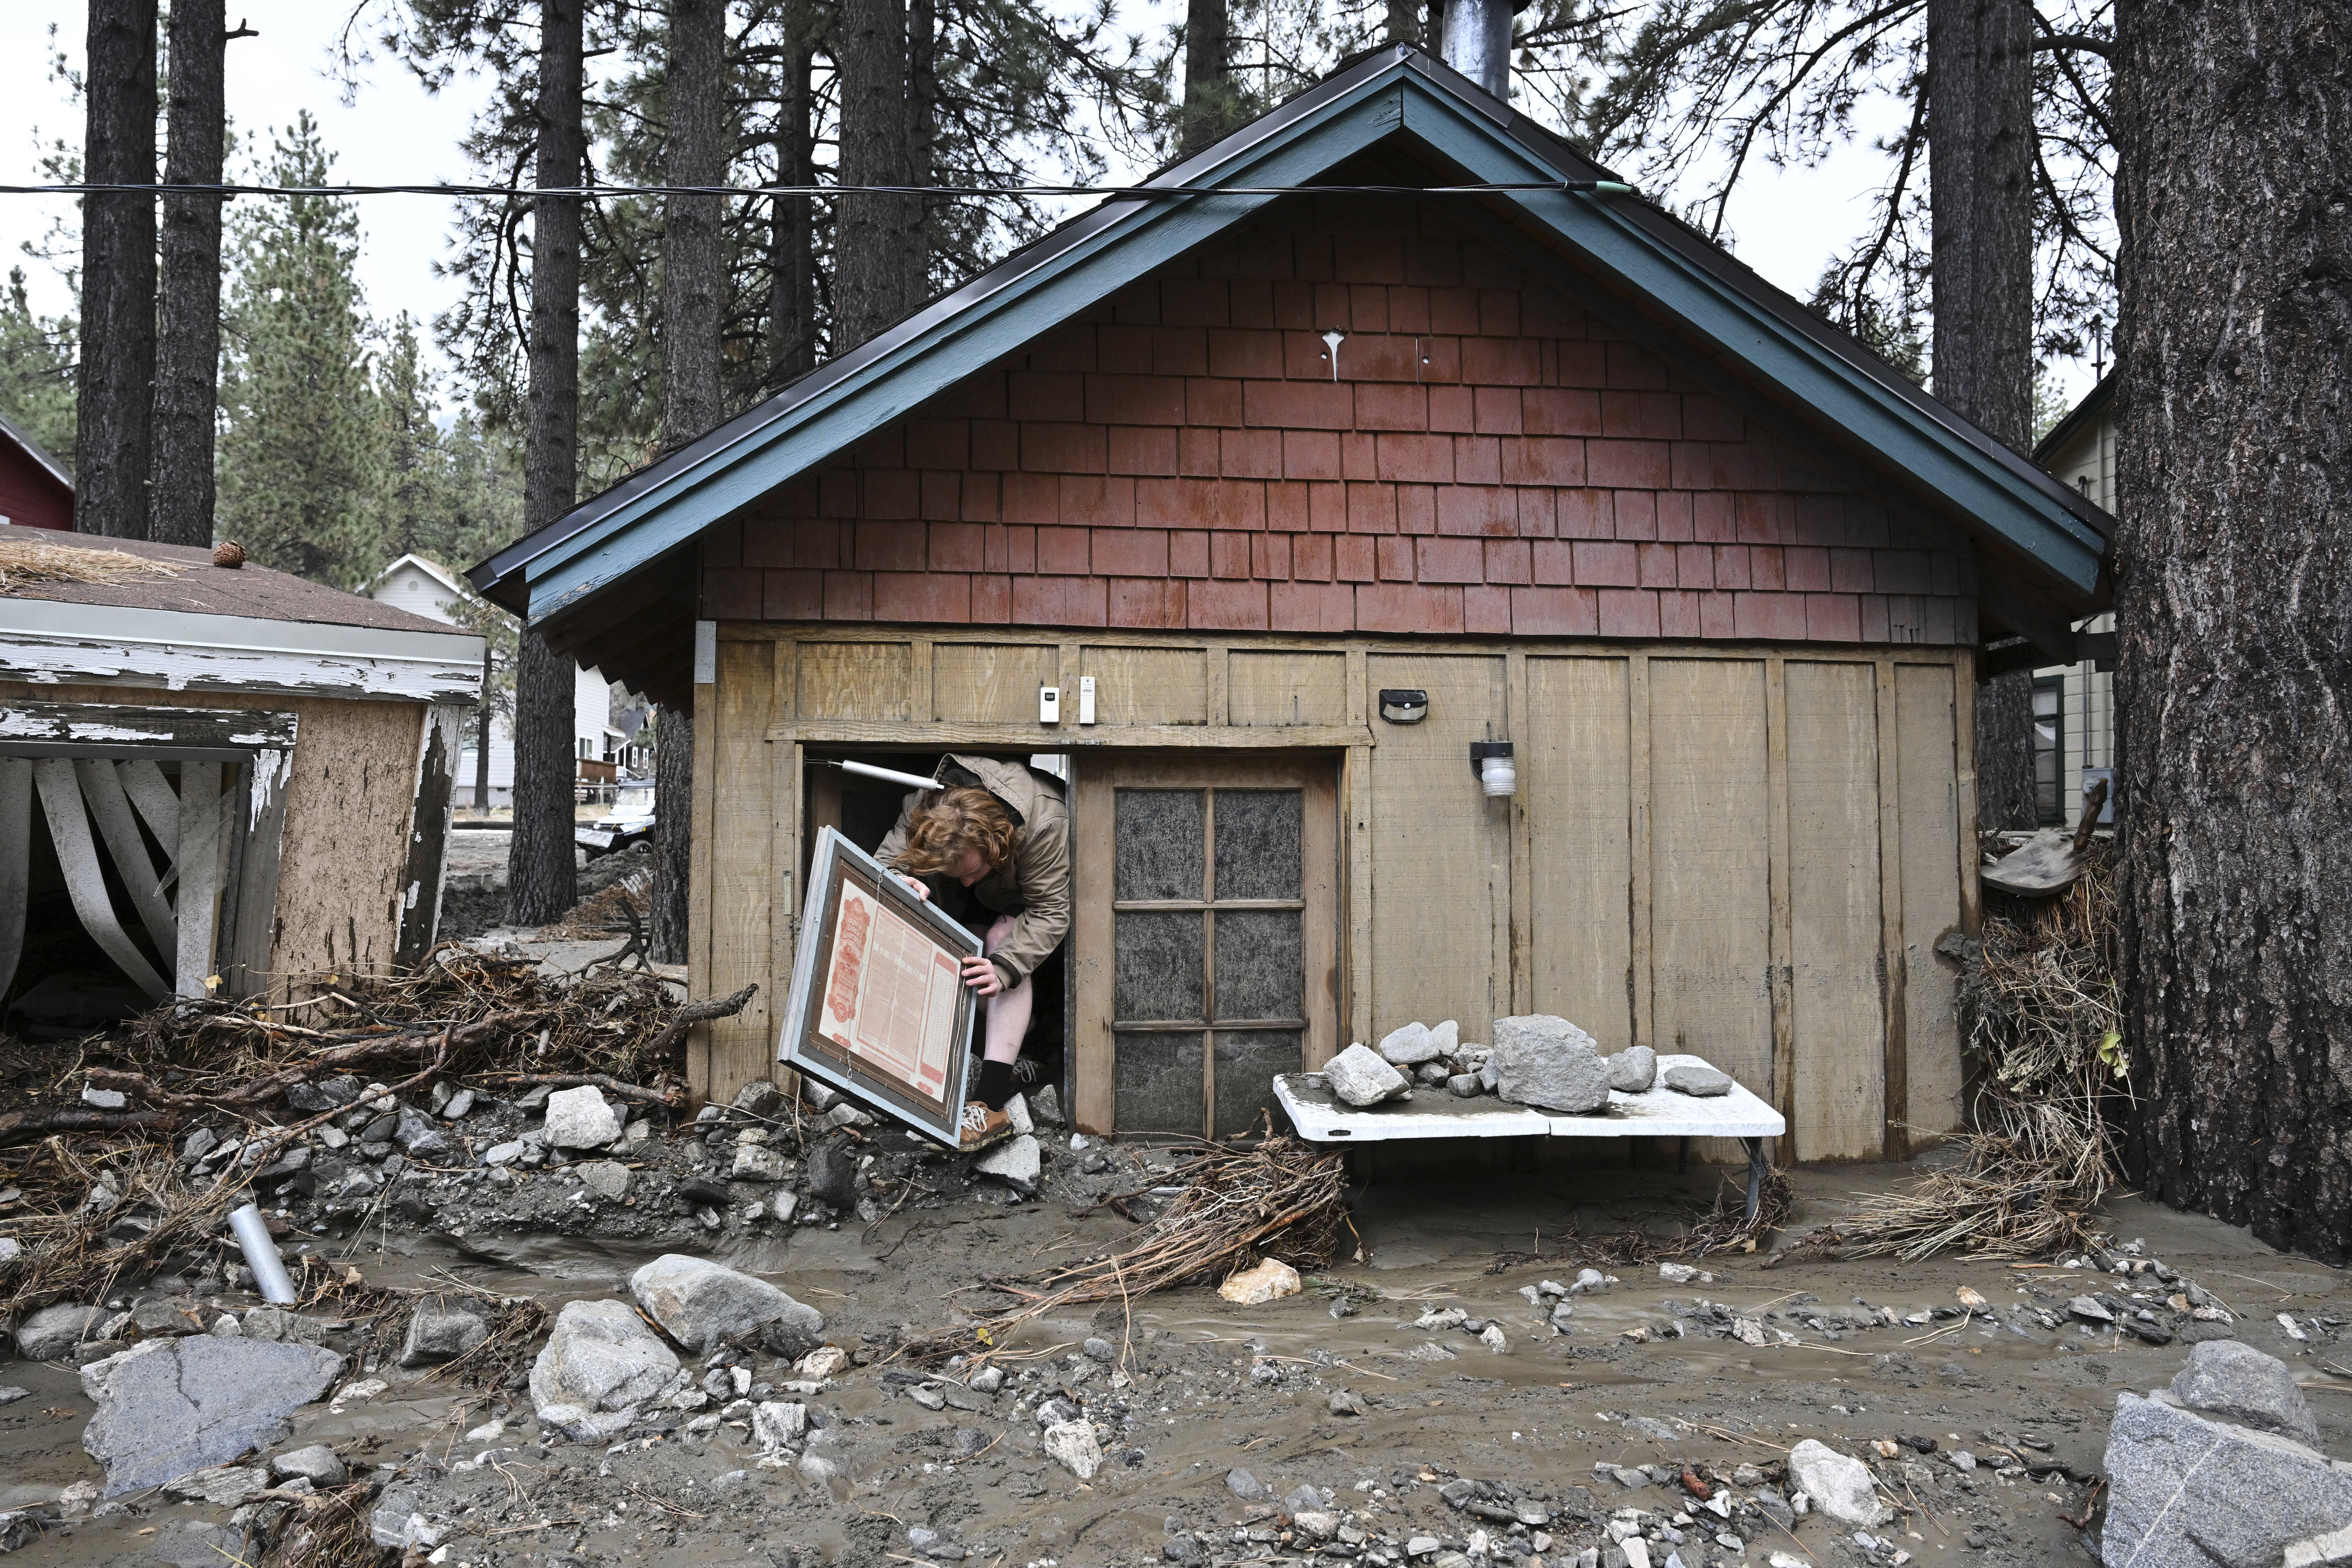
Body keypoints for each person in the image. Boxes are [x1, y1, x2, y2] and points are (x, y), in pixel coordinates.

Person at [875, 754, 1070, 1150]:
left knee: (1001, 945)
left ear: (995, 841)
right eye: (956, 875)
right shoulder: (923, 807)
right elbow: (883, 863)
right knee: (967, 947)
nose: (964, 882)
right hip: (989, 893)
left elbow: (1050, 910)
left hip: (1039, 890)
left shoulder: (1044, 822)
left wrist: (1005, 969)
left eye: (971, 872)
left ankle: (990, 1105)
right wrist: (898, 879)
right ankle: (1029, 1035)